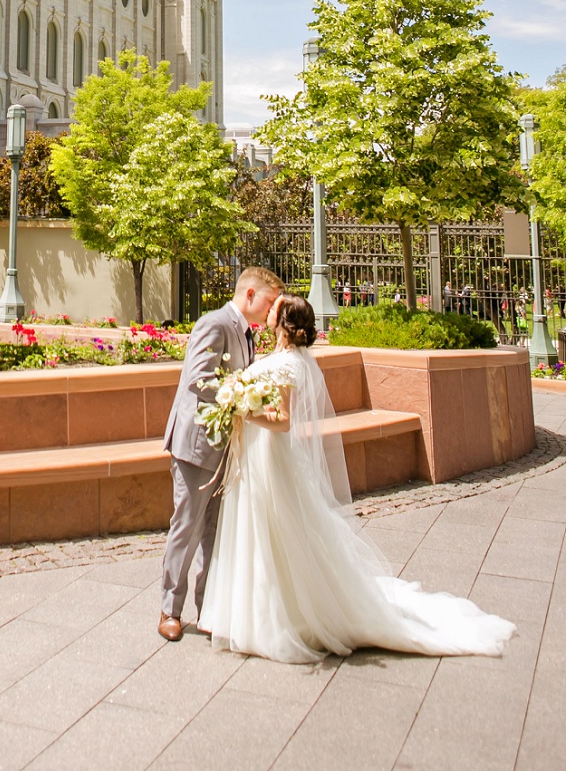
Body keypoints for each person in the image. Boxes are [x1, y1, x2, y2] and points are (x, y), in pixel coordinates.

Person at [198, 294, 517, 664]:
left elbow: (283, 422)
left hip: (270, 459)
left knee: (274, 531)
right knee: (268, 531)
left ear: (284, 322)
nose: (267, 311)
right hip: (261, 458)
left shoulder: (287, 365)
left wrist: (241, 410)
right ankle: (259, 610)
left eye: (274, 309)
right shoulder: (289, 359)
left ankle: (279, 616)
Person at [157, 265, 284, 641]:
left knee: (216, 532)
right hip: (196, 445)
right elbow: (199, 378)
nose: (271, 309)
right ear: (249, 294)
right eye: (269, 300)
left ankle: (209, 610)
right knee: (188, 527)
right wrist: (243, 401)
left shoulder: (246, 333)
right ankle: (170, 610)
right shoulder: (214, 323)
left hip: (226, 445)